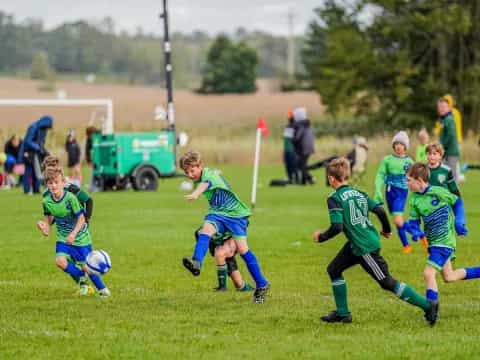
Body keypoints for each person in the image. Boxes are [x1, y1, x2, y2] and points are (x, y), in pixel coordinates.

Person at [314, 158, 436, 325]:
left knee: (386, 282)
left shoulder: (334, 198)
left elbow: (337, 227)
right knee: (334, 269)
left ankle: (428, 306)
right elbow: (379, 210)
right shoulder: (359, 193)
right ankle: (343, 314)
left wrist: (320, 237)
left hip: (365, 247)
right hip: (357, 243)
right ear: (347, 175)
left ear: (331, 179)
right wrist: (386, 230)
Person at [179, 151, 270, 304]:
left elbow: (205, 184)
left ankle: (262, 284)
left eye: (192, 170)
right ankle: (196, 262)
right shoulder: (200, 177)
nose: (189, 174)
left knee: (243, 250)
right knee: (205, 230)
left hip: (236, 215)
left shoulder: (210, 175)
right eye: (186, 172)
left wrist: (195, 194)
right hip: (218, 213)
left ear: (201, 166)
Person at [406, 162, 476, 325]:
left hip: (444, 241)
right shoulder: (414, 200)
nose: (407, 183)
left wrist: (460, 220)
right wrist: (415, 231)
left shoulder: (438, 192)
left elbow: (457, 202)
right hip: (433, 243)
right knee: (449, 277)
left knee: (428, 274)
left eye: (409, 180)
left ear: (419, 180)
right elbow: (413, 222)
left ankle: (432, 311)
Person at [36, 166, 109, 297]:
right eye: (50, 183)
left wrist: (73, 234)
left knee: (87, 266)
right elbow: (49, 221)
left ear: (62, 182)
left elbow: (81, 219)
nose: (53, 186)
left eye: (56, 182)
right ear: (46, 184)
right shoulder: (46, 201)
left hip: (80, 237)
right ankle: (82, 277)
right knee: (60, 261)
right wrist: (44, 227)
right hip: (63, 237)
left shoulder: (70, 198)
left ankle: (103, 290)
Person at [374, 131, 414, 254]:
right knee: (397, 220)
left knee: (397, 220)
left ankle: (418, 233)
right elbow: (380, 175)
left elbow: (415, 178)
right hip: (389, 192)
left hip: (401, 192)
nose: (398, 146)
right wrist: (377, 190)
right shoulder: (387, 160)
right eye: (396, 143)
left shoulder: (410, 162)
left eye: (401, 144)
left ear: (405, 146)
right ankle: (406, 245)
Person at [194, 227, 254, 292]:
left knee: (220, 254)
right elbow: (199, 232)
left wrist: (232, 241)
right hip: (224, 238)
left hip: (233, 239)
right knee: (239, 284)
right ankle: (242, 287)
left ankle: (223, 287)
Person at [42, 155, 93, 223]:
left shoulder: (70, 188)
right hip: (63, 228)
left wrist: (86, 219)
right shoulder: (46, 194)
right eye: (48, 169)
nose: (50, 171)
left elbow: (89, 200)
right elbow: (52, 218)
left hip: (78, 225)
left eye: (52, 168)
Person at [18, 115, 53, 194]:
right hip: (28, 152)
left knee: (36, 171)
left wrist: (44, 151)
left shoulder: (44, 129)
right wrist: (38, 148)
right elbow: (28, 141)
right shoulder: (33, 127)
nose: (47, 128)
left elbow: (42, 142)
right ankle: (26, 191)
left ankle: (36, 190)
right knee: (28, 171)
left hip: (36, 153)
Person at [437, 98, 460, 182]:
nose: (441, 109)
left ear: (449, 108)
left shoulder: (449, 119)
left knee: (452, 176)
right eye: (440, 107)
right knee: (445, 176)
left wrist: (442, 147)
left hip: (451, 153)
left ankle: (455, 195)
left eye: (444, 107)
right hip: (446, 152)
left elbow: (451, 135)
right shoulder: (443, 120)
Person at [292, 107, 315, 185]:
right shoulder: (307, 124)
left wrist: (293, 140)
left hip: (304, 148)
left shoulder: (301, 125)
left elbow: (297, 137)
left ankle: (308, 179)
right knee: (302, 164)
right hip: (309, 147)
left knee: (301, 165)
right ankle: (306, 180)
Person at [283, 110, 299, 184]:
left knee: (293, 166)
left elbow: (296, 139)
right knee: (288, 165)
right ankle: (290, 179)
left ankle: (296, 180)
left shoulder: (296, 127)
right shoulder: (287, 127)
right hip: (287, 149)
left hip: (292, 150)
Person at [85, 126, 101, 192]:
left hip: (101, 158)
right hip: (96, 158)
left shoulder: (100, 135)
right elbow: (87, 150)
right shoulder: (89, 139)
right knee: (94, 172)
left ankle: (95, 186)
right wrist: (89, 160)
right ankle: (92, 187)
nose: (90, 137)